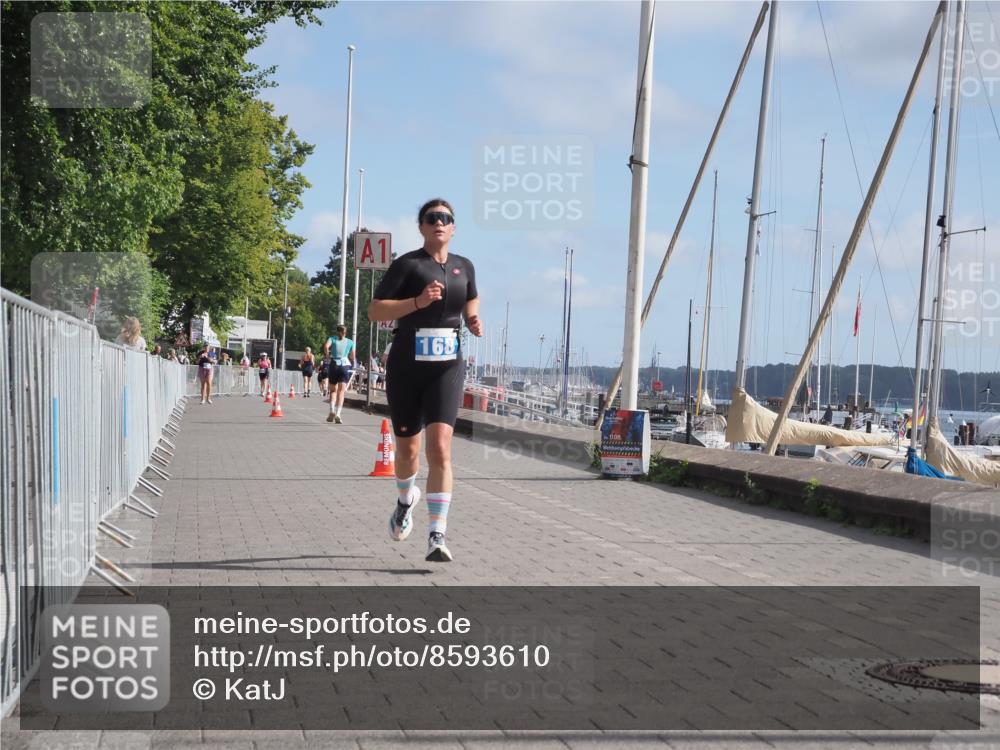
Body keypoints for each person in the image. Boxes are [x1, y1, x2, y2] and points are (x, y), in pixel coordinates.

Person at [368, 198, 482, 563]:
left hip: (447, 366)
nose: (439, 222)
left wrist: (472, 319)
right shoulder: (408, 265)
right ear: (421, 226)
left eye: (446, 218)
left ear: (453, 227)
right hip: (407, 364)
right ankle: (405, 500)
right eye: (432, 217)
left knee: (441, 448)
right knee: (407, 452)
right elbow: (375, 310)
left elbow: (472, 299)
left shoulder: (465, 266)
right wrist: (417, 302)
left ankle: (437, 534)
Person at [323, 325, 356, 423]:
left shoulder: (332, 339)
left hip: (334, 364)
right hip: (344, 366)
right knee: (341, 392)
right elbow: (353, 356)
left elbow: (326, 346)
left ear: (337, 332)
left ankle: (332, 410)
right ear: (345, 332)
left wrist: (327, 356)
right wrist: (351, 363)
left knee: (333, 390)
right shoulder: (350, 342)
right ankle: (338, 414)